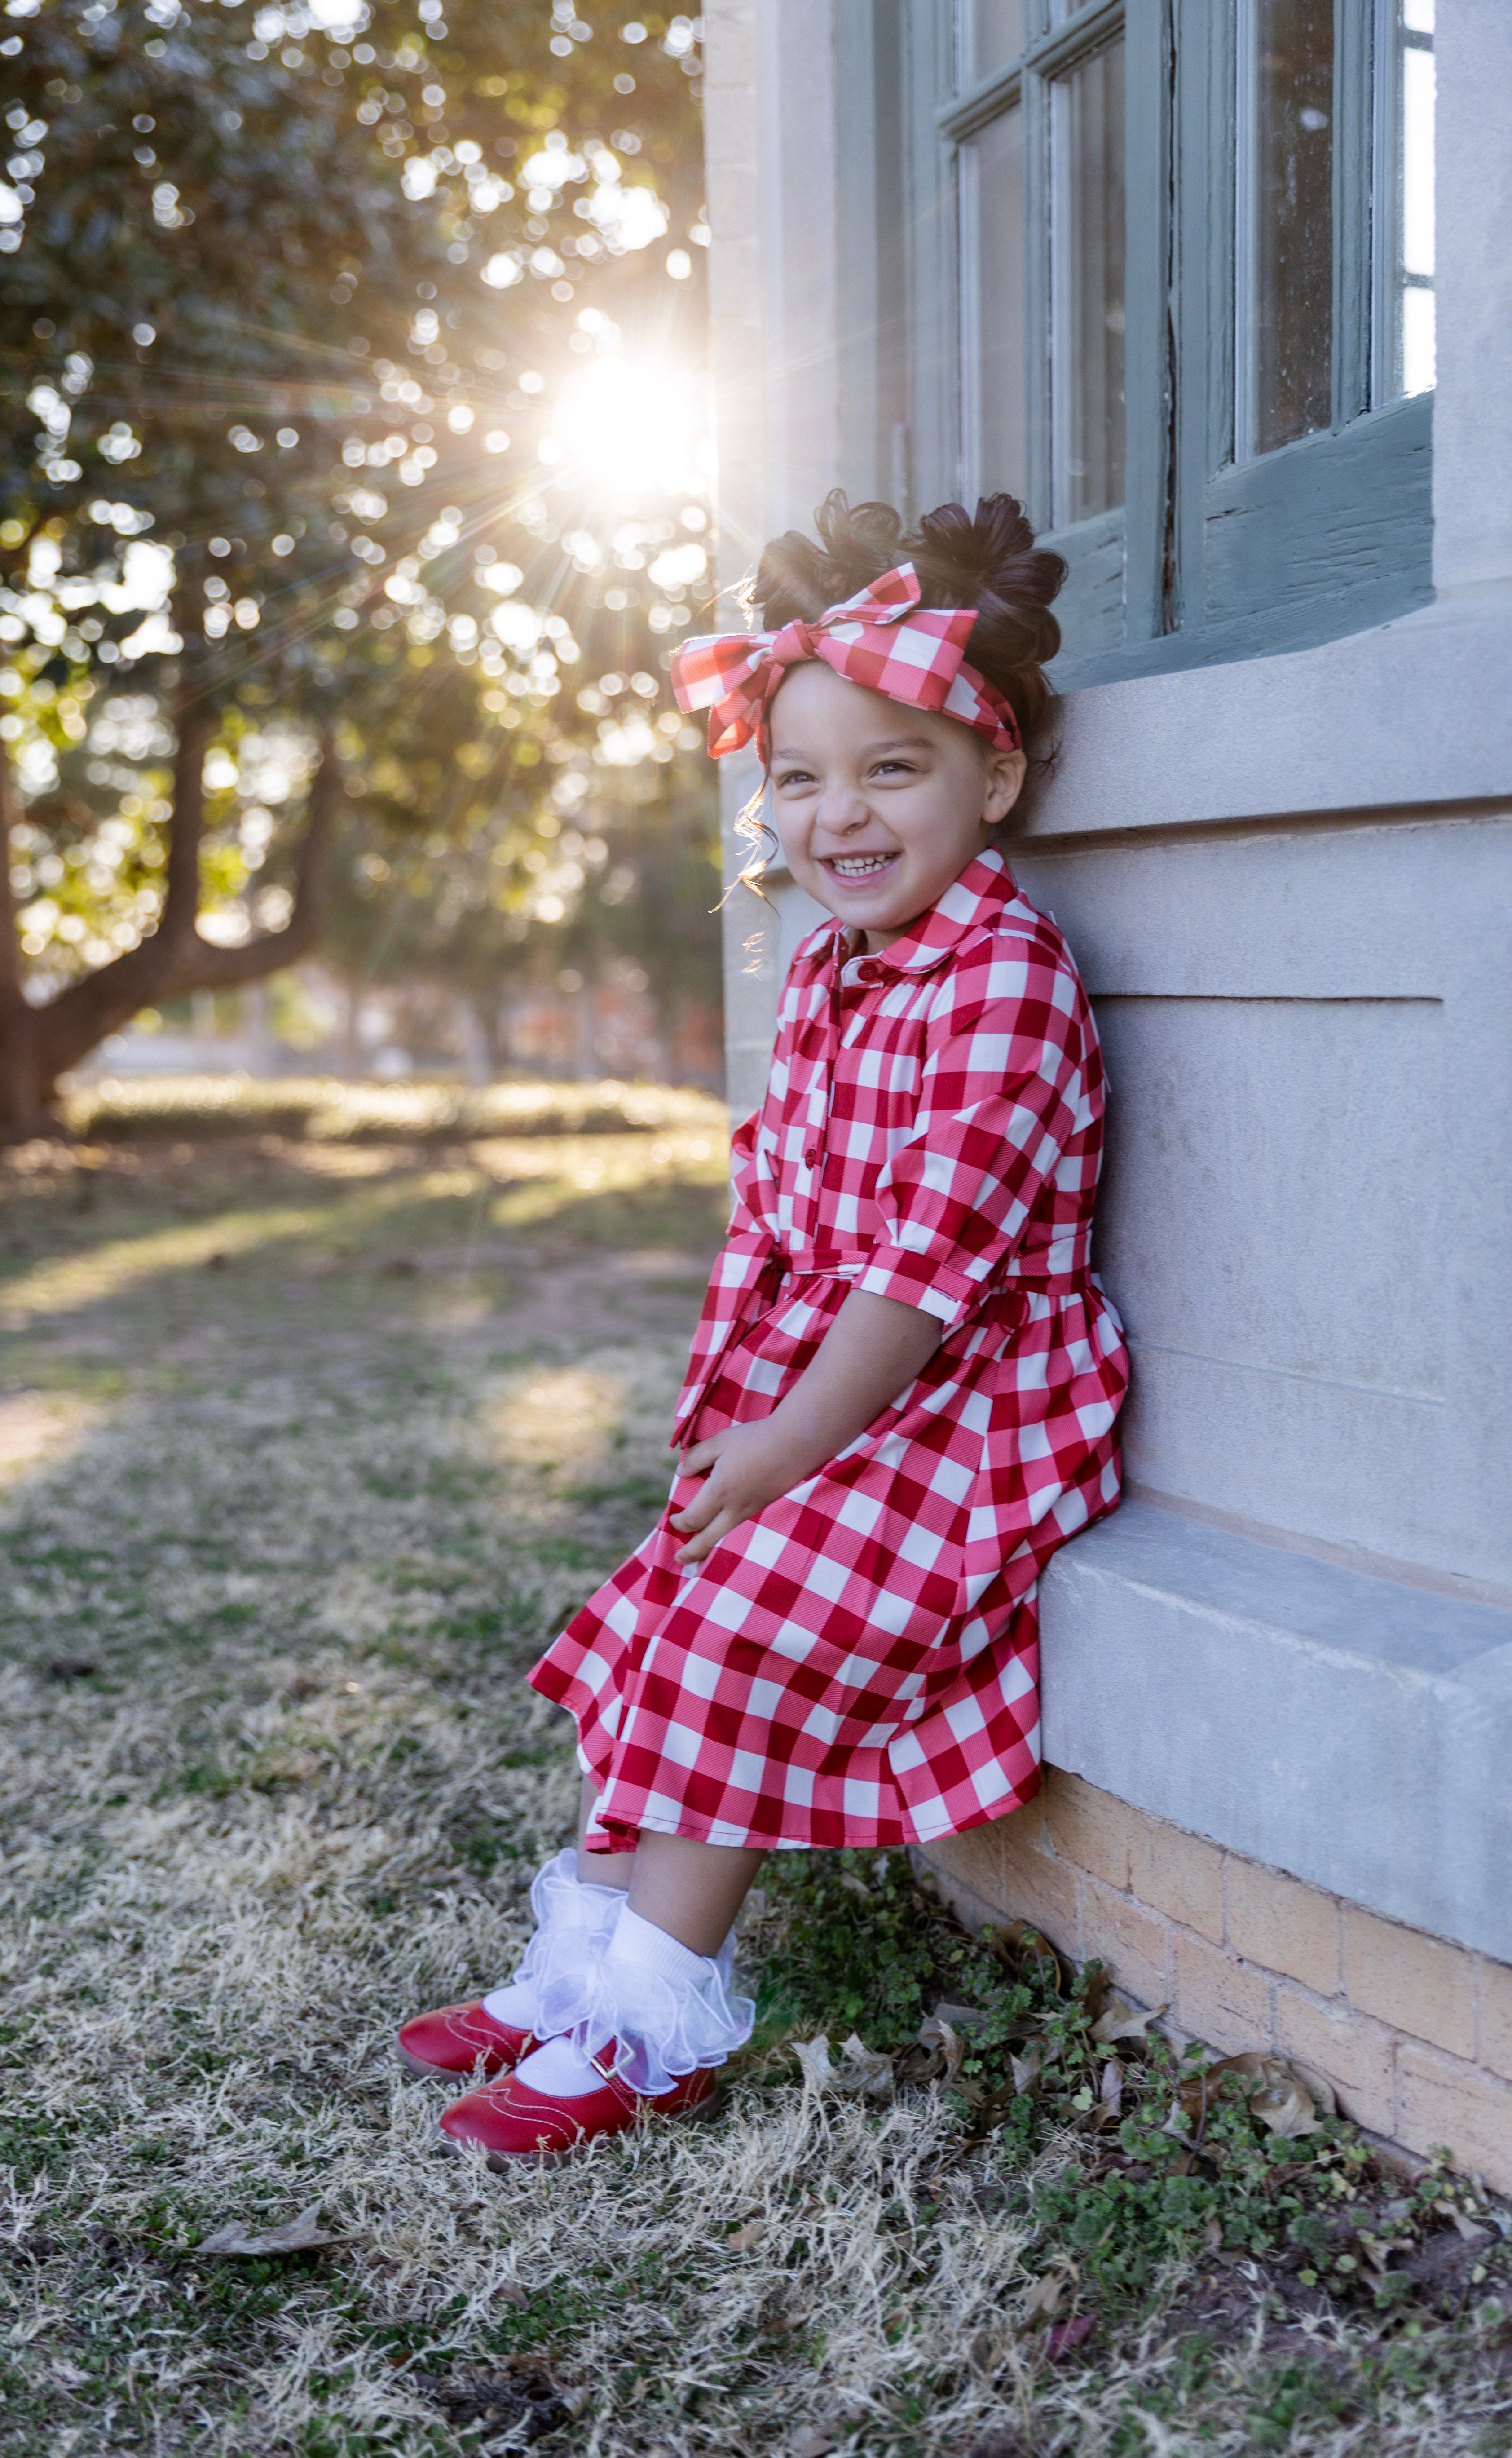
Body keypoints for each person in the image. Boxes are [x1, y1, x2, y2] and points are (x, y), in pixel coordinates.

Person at [398, 491, 1130, 2159]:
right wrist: (746, 1405)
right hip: (824, 1375)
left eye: (894, 768)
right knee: (668, 1611)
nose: (838, 815)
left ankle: (653, 2026)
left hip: (967, 1397)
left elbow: (926, 1281)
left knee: (737, 1634)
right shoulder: (824, 967)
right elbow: (788, 1210)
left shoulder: (1002, 981)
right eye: (798, 777)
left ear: (995, 778)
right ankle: (576, 1968)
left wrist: (790, 1440)